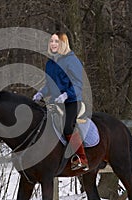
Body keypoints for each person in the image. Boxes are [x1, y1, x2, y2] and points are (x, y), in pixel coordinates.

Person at [33, 32, 89, 171]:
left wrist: (65, 95)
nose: (53, 44)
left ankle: (81, 158)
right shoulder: (50, 63)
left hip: (71, 101)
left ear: (63, 44)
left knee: (67, 127)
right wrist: (41, 92)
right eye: (51, 41)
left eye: (56, 41)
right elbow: (50, 84)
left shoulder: (72, 60)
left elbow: (78, 85)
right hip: (55, 101)